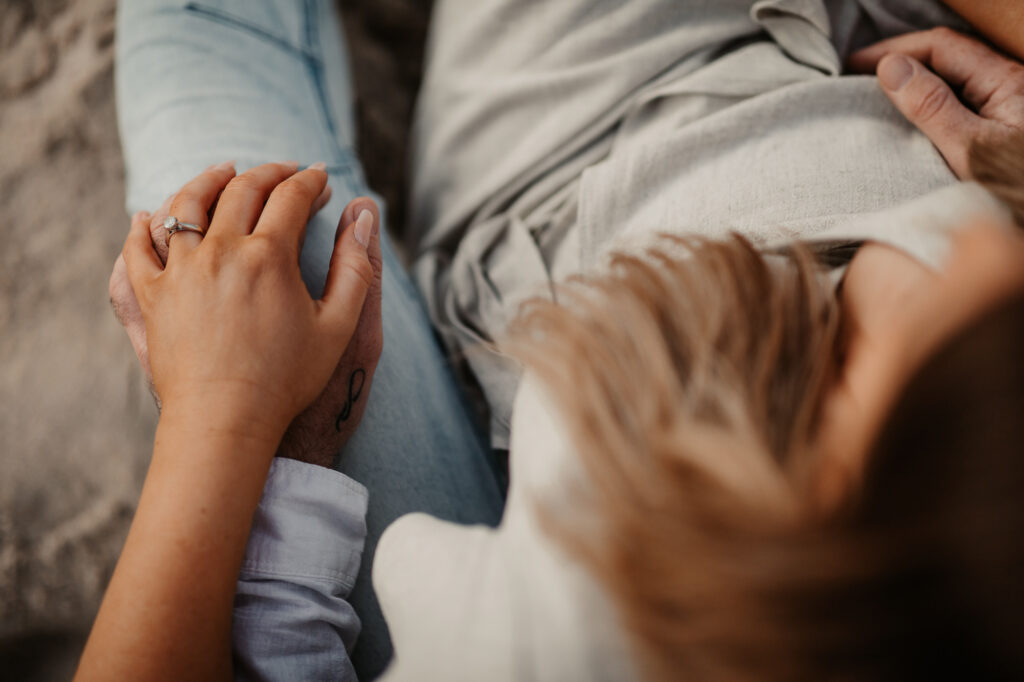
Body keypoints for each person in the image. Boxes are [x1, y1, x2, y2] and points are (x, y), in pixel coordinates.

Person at [88, 0, 1024, 680]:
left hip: (548, 208)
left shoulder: (574, 641)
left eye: (856, 344)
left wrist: (221, 422)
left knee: (238, 198)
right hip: (744, 67)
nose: (990, 233)